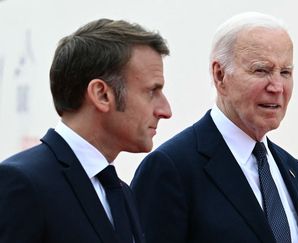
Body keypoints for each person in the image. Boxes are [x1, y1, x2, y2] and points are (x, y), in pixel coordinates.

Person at [131, 12, 298, 243]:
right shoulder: (171, 168)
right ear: (220, 76)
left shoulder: (294, 170)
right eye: (261, 70)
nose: (277, 87)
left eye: (285, 72)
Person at [0, 18, 171, 243]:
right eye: (152, 91)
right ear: (101, 94)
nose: (165, 110)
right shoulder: (23, 182)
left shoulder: (122, 192)